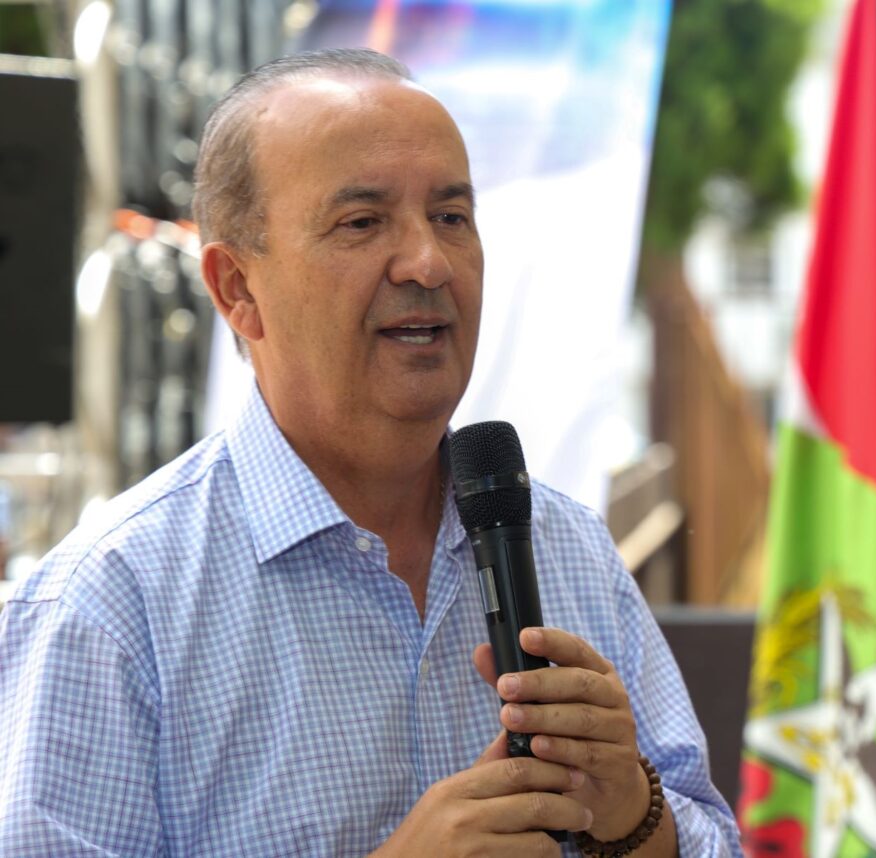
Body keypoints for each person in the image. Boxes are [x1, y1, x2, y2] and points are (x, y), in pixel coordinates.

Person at [0, 48, 741, 857]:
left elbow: (712, 840)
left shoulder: (570, 550)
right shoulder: (110, 606)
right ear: (237, 289)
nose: (428, 261)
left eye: (451, 217)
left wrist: (632, 815)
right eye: (362, 222)